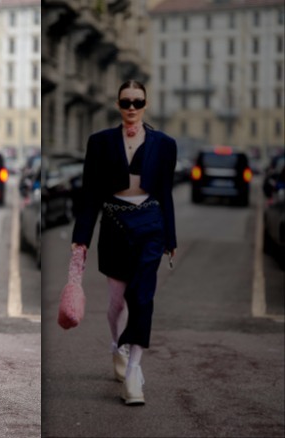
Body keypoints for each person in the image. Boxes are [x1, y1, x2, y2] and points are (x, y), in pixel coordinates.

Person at [71, 80, 177, 405]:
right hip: (114, 224)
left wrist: (170, 237)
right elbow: (90, 196)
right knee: (117, 302)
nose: (131, 108)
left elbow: (166, 194)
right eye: (126, 102)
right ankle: (117, 346)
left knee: (142, 297)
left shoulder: (164, 144)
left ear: (146, 104)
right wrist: (81, 240)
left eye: (137, 102)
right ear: (118, 105)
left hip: (150, 225)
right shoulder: (100, 142)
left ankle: (133, 373)